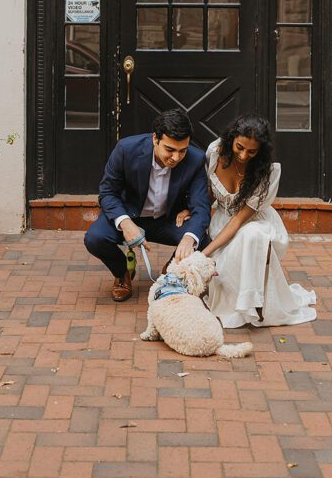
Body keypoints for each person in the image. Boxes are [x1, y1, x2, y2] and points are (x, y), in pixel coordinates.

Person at [178, 114, 316, 328]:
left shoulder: (266, 173)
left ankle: (251, 304)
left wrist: (202, 255)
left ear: (260, 151)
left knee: (251, 235)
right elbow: (213, 193)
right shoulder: (216, 152)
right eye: (239, 147)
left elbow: (238, 221)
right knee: (222, 273)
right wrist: (194, 209)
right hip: (222, 220)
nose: (243, 155)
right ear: (231, 139)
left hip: (253, 223)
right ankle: (234, 304)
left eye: (251, 151)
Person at [84, 109, 211, 303]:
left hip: (168, 220)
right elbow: (107, 193)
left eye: (182, 150)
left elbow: (201, 207)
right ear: (155, 139)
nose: (176, 157)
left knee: (201, 240)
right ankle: (122, 273)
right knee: (95, 238)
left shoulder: (196, 159)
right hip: (130, 216)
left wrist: (188, 239)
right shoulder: (126, 149)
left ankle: (170, 274)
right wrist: (126, 224)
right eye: (170, 149)